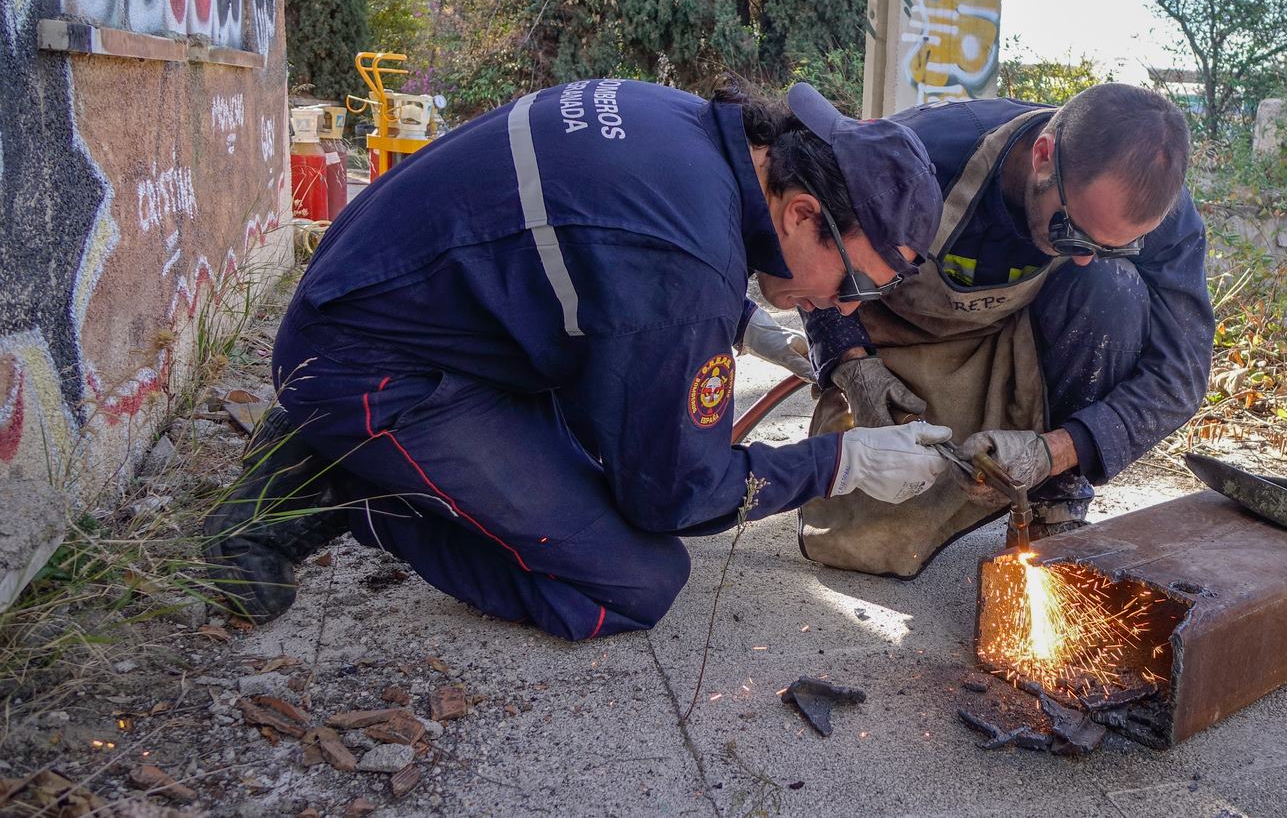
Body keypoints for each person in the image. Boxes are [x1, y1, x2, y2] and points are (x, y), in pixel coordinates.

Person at [203, 80, 954, 640]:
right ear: (802, 212)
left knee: (606, 444)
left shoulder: (686, 129)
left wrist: (750, 328)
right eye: (854, 285)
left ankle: (338, 442)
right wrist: (842, 463)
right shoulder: (687, 263)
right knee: (637, 579)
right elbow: (674, 494)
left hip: (382, 306)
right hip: (367, 365)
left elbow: (621, 254)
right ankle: (352, 479)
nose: (845, 310)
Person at [795, 84, 1214, 578]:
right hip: (894, 358)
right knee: (862, 543)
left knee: (1111, 286)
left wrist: (1055, 452)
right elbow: (809, 252)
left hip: (1015, 362)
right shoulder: (923, 154)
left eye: (1110, 245)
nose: (1083, 257)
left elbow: (1179, 377)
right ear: (1043, 156)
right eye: (1070, 232)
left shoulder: (1151, 204)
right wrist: (851, 364)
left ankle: (1053, 502)